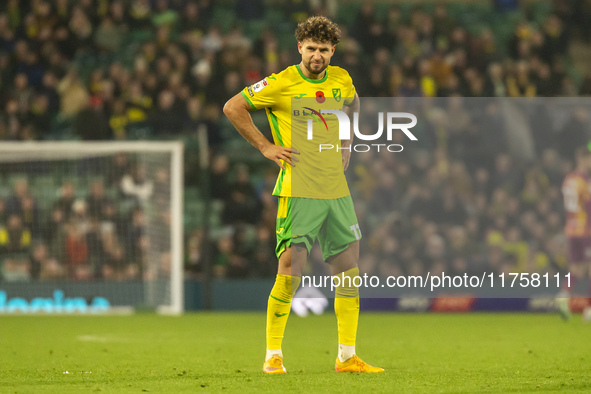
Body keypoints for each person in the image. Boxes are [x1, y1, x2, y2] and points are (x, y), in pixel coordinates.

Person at [223, 16, 383, 374]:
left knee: (348, 273)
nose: (317, 56)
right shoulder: (281, 83)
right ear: (300, 47)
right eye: (311, 48)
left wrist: (347, 141)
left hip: (336, 193)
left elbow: (353, 105)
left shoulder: (342, 79)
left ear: (333, 51)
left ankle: (346, 357)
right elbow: (233, 107)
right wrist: (265, 147)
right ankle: (273, 356)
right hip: (299, 192)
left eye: (324, 50)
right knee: (291, 270)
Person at [558, 147, 591, 320]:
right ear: (584, 159)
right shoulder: (584, 180)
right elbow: (589, 205)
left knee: (576, 268)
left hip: (571, 228)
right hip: (586, 229)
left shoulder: (568, 179)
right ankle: (589, 310)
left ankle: (563, 296)